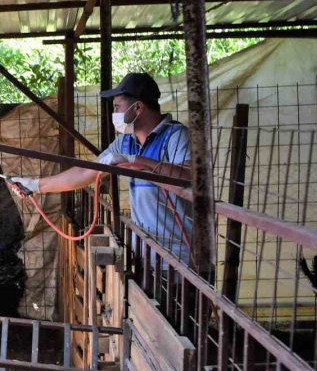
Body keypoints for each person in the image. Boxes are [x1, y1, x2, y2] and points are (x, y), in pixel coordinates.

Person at [11, 72, 193, 261]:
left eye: (117, 107)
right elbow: (85, 171)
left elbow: (188, 179)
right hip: (144, 252)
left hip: (179, 257)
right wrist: (35, 185)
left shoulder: (176, 136)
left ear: (138, 107)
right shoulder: (125, 142)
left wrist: (137, 161)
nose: (115, 114)